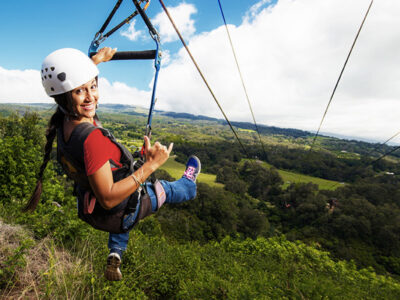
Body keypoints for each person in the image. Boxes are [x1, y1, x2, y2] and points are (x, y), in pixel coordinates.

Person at [25, 47, 201, 281]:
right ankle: (189, 186)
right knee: (163, 190)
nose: (90, 97)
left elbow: (75, 89)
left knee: (123, 204)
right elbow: (108, 197)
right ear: (64, 96)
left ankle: (116, 251)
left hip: (93, 211)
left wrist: (95, 61)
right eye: (80, 91)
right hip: (114, 209)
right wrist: (151, 165)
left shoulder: (64, 123)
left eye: (93, 86)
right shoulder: (91, 139)